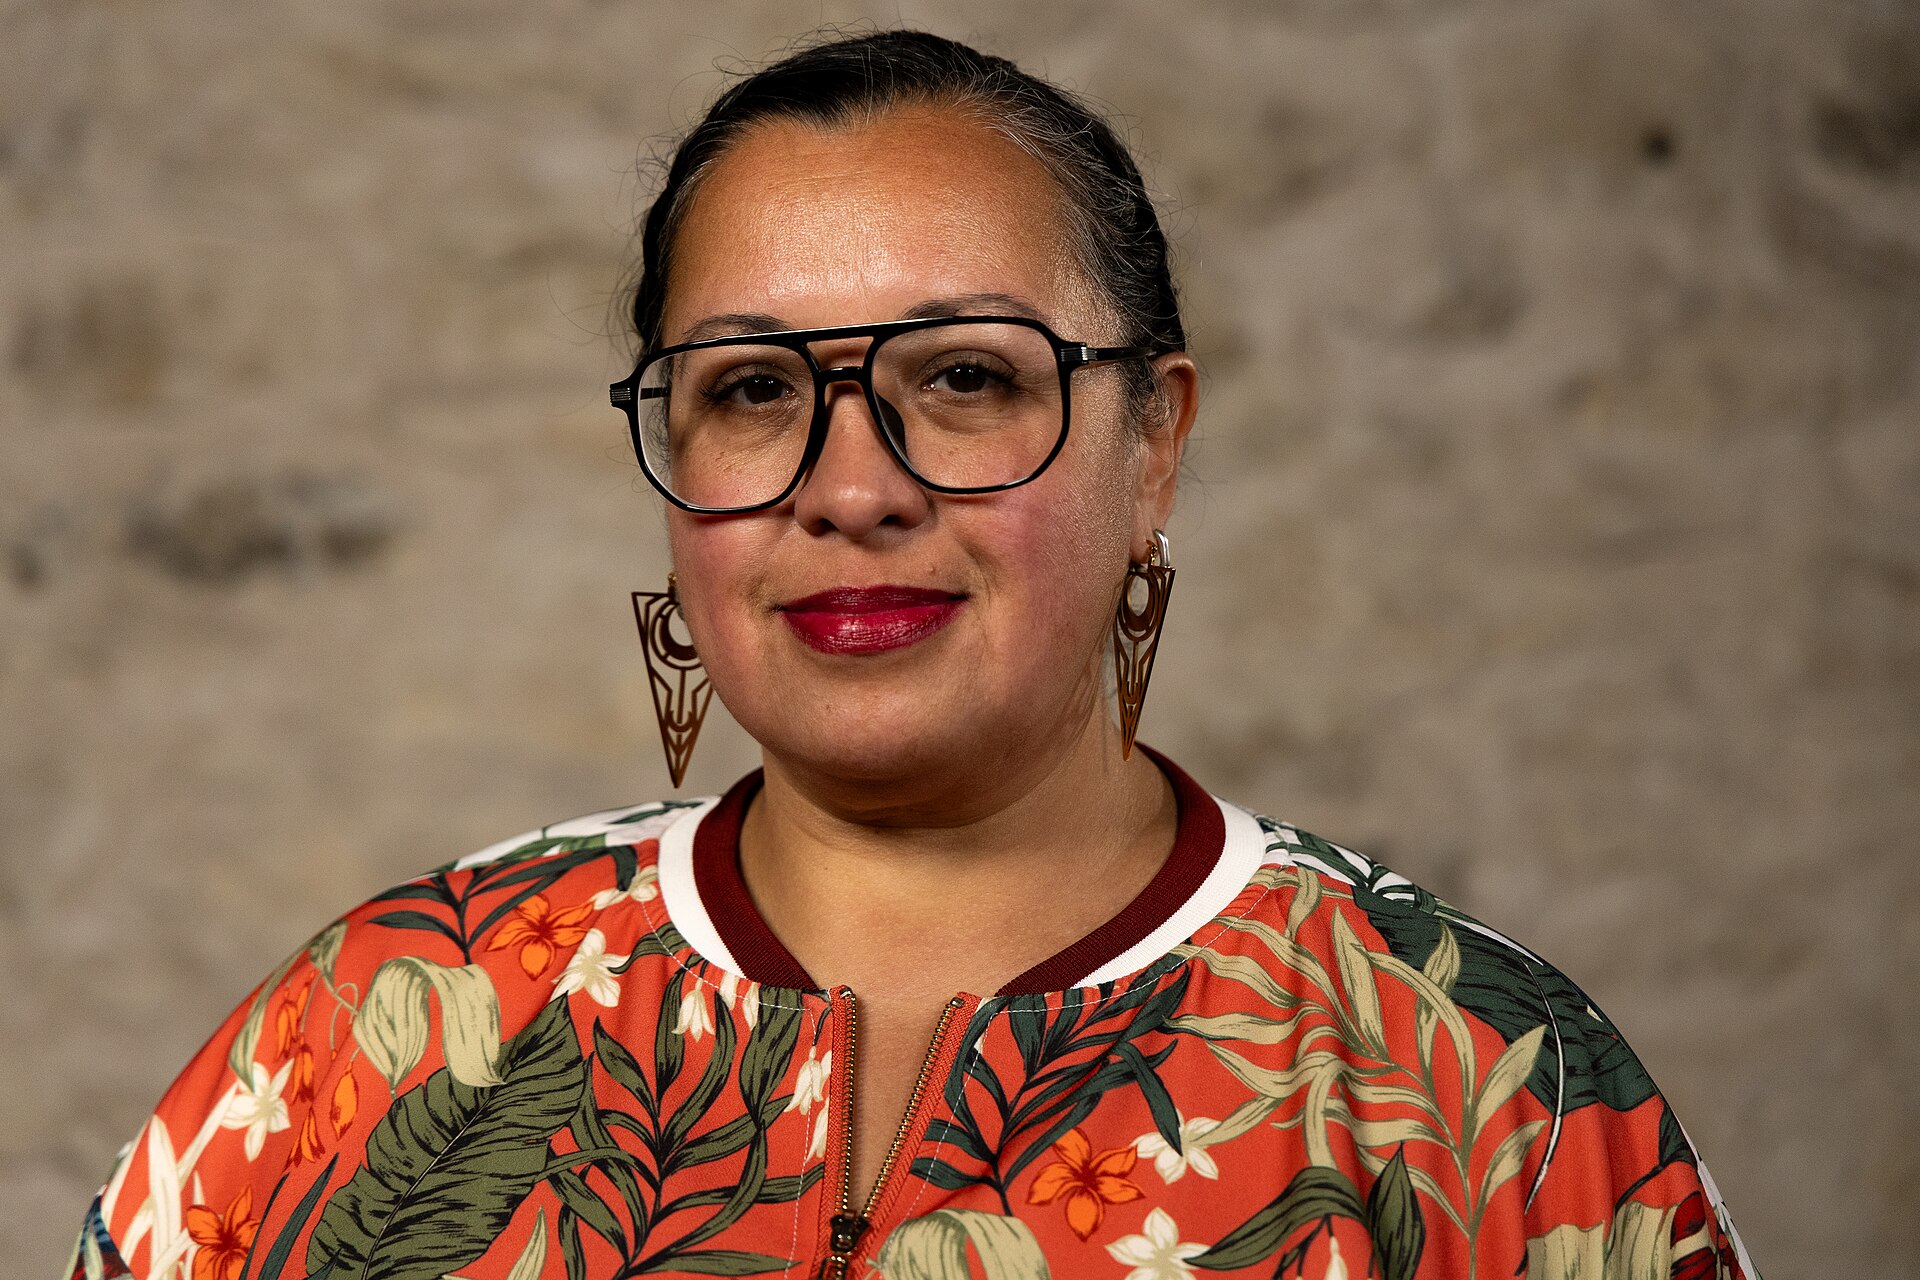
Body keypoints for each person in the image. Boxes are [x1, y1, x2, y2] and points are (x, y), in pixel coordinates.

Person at [68, 30, 1757, 1280]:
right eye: (752, 392)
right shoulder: (366, 1037)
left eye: (965, 377)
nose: (852, 489)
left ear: (1151, 440)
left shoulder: (1486, 1088)